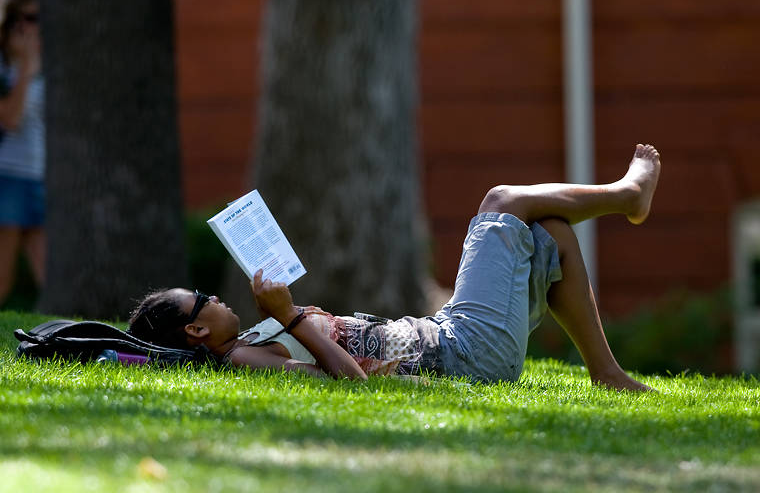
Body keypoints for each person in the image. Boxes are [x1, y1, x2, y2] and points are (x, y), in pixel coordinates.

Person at [128, 144, 661, 391]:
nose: (215, 298)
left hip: (450, 337)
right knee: (500, 202)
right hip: (460, 356)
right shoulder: (240, 360)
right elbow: (350, 382)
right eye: (204, 301)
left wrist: (289, 315)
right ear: (196, 331)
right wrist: (290, 317)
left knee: (549, 235)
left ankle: (605, 372)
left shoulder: (247, 340)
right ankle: (625, 194)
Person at [0, 0, 43, 306]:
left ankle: (65, 334)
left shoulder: (51, 67)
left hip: (42, 177)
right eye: (30, 18)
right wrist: (26, 67)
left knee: (50, 275)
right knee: (2, 279)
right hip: (9, 176)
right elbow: (10, 119)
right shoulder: (5, 69)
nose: (36, 26)